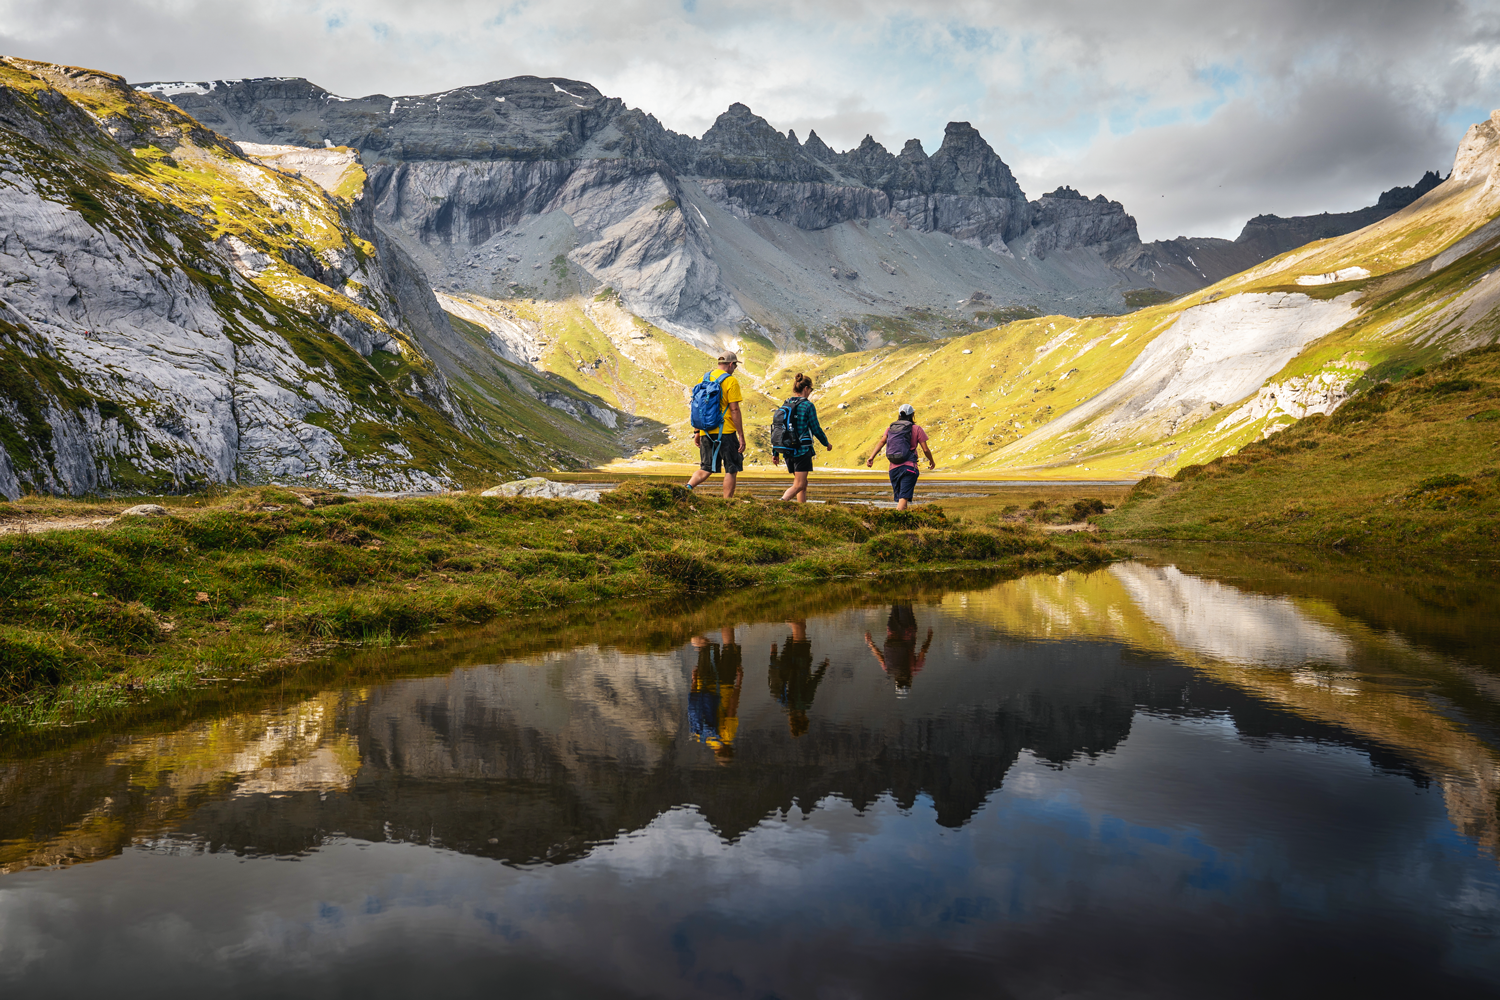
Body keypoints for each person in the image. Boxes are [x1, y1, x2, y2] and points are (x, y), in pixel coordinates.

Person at [686, 351, 746, 498]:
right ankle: (727, 502)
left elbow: (698, 408)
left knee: (706, 468)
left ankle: (687, 488)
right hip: (725, 432)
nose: (735, 369)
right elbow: (734, 409)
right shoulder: (731, 381)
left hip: (706, 431)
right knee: (731, 469)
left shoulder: (703, 378)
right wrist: (741, 435)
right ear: (731, 364)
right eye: (735, 366)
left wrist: (697, 432)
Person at [773, 372, 833, 502]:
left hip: (788, 450)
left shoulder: (785, 404)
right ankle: (780, 502)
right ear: (806, 388)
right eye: (810, 389)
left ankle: (801, 509)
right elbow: (816, 428)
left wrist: (775, 452)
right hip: (802, 450)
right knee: (799, 484)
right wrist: (826, 443)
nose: (810, 392)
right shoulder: (807, 405)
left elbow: (779, 429)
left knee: (802, 483)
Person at [864, 403, 935, 510]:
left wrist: (871, 457)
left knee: (902, 498)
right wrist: (931, 461)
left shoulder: (890, 428)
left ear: (899, 415)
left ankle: (902, 524)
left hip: (893, 469)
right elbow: (925, 449)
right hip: (909, 468)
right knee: (903, 498)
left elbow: (882, 442)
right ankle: (896, 522)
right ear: (912, 415)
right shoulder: (916, 429)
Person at [688, 627, 743, 764]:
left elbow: (731, 708)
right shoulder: (700, 736)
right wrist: (694, 682)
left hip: (725, 684)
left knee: (729, 646)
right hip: (703, 684)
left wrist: (739, 682)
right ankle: (694, 625)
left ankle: (726, 616)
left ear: (727, 751)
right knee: (704, 647)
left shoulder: (727, 736)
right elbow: (693, 706)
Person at [767, 619, 829, 737]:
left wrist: (823, 667)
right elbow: (774, 680)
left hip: (801, 662)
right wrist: (773, 657)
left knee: (798, 627)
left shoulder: (805, 703)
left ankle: (785, 617)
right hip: (787, 663)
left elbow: (813, 683)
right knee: (801, 626)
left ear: (805, 720)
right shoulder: (784, 704)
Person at [865, 603, 933, 697]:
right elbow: (880, 656)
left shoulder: (914, 670)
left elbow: (923, 651)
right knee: (896, 602)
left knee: (904, 602)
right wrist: (870, 643)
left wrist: (929, 638)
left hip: (908, 630)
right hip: (892, 631)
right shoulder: (889, 669)